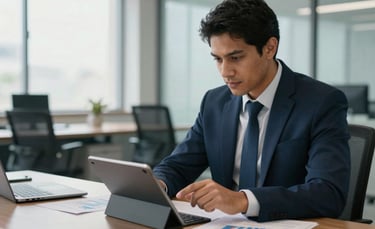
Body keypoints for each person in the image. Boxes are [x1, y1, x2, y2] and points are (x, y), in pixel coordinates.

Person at [153, 0, 350, 222]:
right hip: (226, 225)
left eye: (235, 58)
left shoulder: (321, 102)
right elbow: (178, 165)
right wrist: (158, 184)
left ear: (269, 48)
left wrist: (243, 200)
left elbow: (328, 193)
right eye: (218, 59)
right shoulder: (214, 102)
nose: (225, 72)